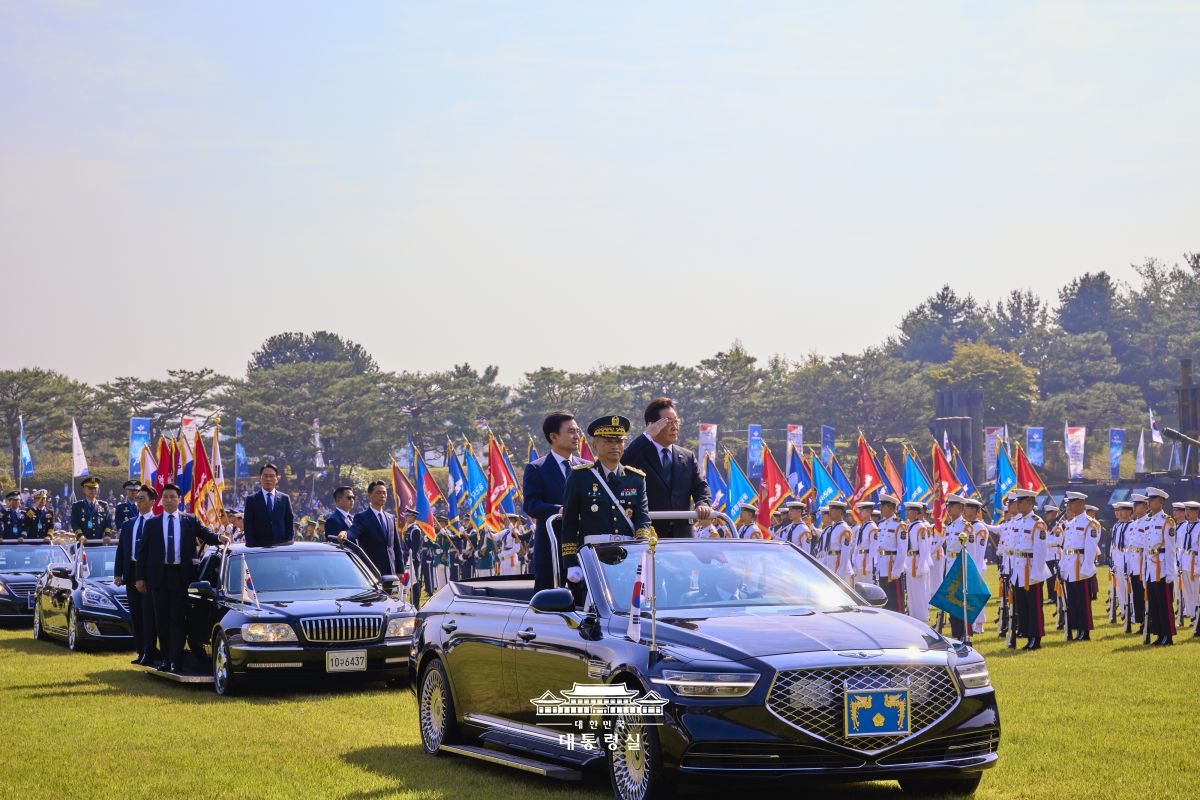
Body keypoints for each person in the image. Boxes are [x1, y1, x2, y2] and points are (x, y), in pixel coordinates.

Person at [135, 484, 226, 673]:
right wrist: (140, 578)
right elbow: (142, 553)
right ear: (161, 500)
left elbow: (207, 535)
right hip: (158, 577)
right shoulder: (152, 523)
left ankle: (176, 661)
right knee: (161, 620)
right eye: (165, 497)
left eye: (172, 497)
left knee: (177, 619)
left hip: (181, 577)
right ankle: (166, 659)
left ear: (179, 499)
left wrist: (220, 538)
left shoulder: (190, 520)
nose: (169, 500)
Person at [560, 416, 653, 599]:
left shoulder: (635, 479)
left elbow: (642, 518)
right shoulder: (580, 476)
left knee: (629, 603)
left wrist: (641, 548)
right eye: (608, 441)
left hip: (628, 556)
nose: (615, 446)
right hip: (593, 554)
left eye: (619, 441)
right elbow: (569, 522)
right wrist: (570, 562)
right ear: (595, 445)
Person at [620, 397, 711, 539]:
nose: (674, 427)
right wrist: (647, 436)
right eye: (668, 422)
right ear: (651, 425)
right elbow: (622, 463)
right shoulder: (639, 454)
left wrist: (702, 502)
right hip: (649, 535)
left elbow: (700, 486)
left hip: (682, 536)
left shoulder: (687, 456)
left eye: (676, 421)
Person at [523, 412, 585, 591]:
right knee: (548, 599)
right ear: (553, 437)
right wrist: (559, 511)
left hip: (582, 547)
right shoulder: (537, 468)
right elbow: (531, 505)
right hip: (551, 547)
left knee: (584, 599)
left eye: (577, 431)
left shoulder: (586, 467)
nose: (577, 436)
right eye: (571, 431)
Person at [114, 484, 158, 666]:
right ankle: (140, 652)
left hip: (148, 575)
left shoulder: (157, 523)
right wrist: (118, 573)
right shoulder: (128, 524)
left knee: (148, 616)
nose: (138, 501)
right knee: (136, 615)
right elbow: (121, 551)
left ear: (152, 502)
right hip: (131, 572)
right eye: (137, 498)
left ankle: (150, 652)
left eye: (142, 498)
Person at [1008, 488, 1050, 651]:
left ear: (1030, 503)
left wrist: (1037, 573)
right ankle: (1026, 635)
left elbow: (1041, 551)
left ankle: (1036, 637)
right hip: (1019, 570)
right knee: (1023, 606)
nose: (1017, 505)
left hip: (1031, 570)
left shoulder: (1037, 523)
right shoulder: (1019, 522)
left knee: (1034, 606)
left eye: (1020, 502)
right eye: (1017, 501)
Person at [1059, 492, 1099, 641]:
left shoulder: (1090, 524)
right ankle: (1076, 629)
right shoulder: (1070, 524)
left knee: (1083, 601)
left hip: (1081, 567)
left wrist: (1086, 569)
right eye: (1068, 503)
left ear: (1081, 504)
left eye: (1072, 503)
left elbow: (1090, 548)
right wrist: (1062, 566)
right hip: (1070, 567)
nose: (1069, 506)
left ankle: (1085, 630)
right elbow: (1066, 547)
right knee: (1073, 601)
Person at [342, 480, 404, 578]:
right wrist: (345, 533)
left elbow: (396, 545)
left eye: (384, 493)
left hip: (391, 571)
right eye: (378, 493)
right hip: (372, 571)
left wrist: (400, 570)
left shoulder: (390, 517)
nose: (382, 495)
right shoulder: (362, 517)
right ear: (370, 495)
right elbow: (353, 532)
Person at [1141, 487, 1177, 646]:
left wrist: (1170, 572)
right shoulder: (1148, 522)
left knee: (1164, 603)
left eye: (1151, 500)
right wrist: (1144, 572)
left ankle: (1167, 636)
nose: (1148, 503)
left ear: (1160, 502)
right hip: (1151, 567)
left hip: (1162, 568)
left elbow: (1170, 548)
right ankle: (1159, 634)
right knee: (1154, 604)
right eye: (1148, 500)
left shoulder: (1167, 521)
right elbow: (1145, 548)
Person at [242, 464, 294, 547]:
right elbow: (248, 524)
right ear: (260, 477)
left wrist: (289, 542)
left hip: (281, 546)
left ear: (277, 478)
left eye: (271, 476)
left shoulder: (285, 499)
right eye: (265, 476)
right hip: (258, 547)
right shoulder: (251, 499)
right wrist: (250, 544)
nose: (268, 479)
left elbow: (289, 522)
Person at [873, 495, 907, 612]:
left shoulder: (900, 525)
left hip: (892, 568)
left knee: (896, 601)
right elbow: (878, 548)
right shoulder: (881, 524)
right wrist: (877, 566)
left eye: (883, 506)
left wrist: (896, 571)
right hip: (883, 566)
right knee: (885, 599)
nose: (881, 509)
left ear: (891, 508)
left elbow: (902, 550)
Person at [903, 501, 934, 623]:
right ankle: (913, 616)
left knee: (919, 592)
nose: (907, 514)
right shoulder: (909, 525)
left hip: (916, 561)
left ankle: (922, 617)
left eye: (910, 511)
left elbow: (924, 548)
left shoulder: (921, 527)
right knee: (911, 593)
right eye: (907, 511)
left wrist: (921, 565)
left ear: (916, 513)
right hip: (909, 561)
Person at [1127, 493, 1150, 631]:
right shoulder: (1134, 524)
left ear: (1145, 506)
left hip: (1143, 561)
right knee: (1136, 593)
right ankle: (1141, 621)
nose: (1134, 507)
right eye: (1134, 504)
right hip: (1134, 562)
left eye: (1137, 504)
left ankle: (1148, 621)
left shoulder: (1148, 522)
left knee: (1144, 593)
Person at [72, 477, 114, 542]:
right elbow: (74, 523)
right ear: (84, 490)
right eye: (90, 488)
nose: (93, 490)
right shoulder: (77, 506)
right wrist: (80, 535)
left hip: (100, 542)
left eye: (95, 488)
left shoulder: (104, 505)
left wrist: (107, 535)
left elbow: (109, 522)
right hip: (83, 543)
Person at [1178, 501, 1200, 628]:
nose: (1187, 513)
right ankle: (1192, 616)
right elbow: (1182, 545)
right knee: (1187, 591)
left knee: (1195, 590)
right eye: (1186, 510)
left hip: (1194, 561)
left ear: (1196, 512)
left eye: (1190, 511)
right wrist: (1179, 561)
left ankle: (1197, 616)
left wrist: (1198, 566)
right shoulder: (1186, 526)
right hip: (1185, 559)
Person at [822, 500, 854, 583]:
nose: (829, 512)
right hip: (831, 567)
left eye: (832, 509)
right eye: (830, 509)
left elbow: (845, 553)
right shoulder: (832, 528)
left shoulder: (844, 528)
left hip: (841, 570)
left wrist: (840, 574)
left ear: (839, 511)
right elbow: (828, 550)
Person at [852, 500, 878, 584]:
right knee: (858, 588)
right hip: (858, 562)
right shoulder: (861, 527)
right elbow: (857, 546)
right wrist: (854, 561)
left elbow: (874, 549)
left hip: (867, 564)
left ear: (869, 512)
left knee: (868, 587)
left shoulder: (872, 527)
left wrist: (871, 567)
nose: (859, 513)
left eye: (862, 511)